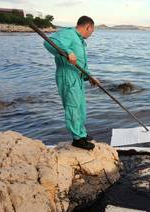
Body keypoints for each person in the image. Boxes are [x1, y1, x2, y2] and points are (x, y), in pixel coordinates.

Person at [44, 15, 100, 150]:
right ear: (88, 27)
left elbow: (80, 62)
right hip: (67, 75)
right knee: (73, 107)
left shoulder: (79, 40)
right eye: (92, 31)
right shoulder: (68, 33)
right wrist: (68, 51)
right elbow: (48, 42)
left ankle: (82, 134)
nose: (91, 34)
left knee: (81, 107)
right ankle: (77, 139)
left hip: (78, 77)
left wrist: (89, 76)